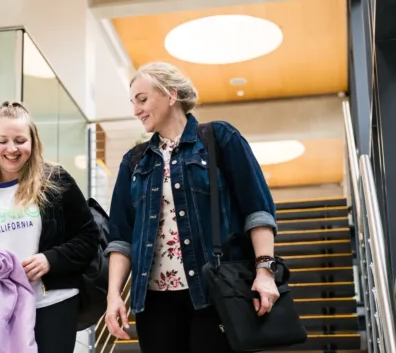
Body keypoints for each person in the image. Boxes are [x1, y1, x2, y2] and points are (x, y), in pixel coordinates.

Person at [104, 62, 280, 353]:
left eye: (143, 99)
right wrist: (113, 296)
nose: (136, 110)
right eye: (133, 102)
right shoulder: (135, 162)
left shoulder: (218, 139)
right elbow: (121, 238)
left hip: (215, 293)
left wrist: (265, 271)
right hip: (154, 302)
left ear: (171, 95)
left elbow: (258, 209)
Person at [0, 101, 99, 353]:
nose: (11, 148)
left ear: (33, 141)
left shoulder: (56, 181)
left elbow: (88, 237)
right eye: (3, 140)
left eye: (20, 140)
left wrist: (50, 260)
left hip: (53, 303)